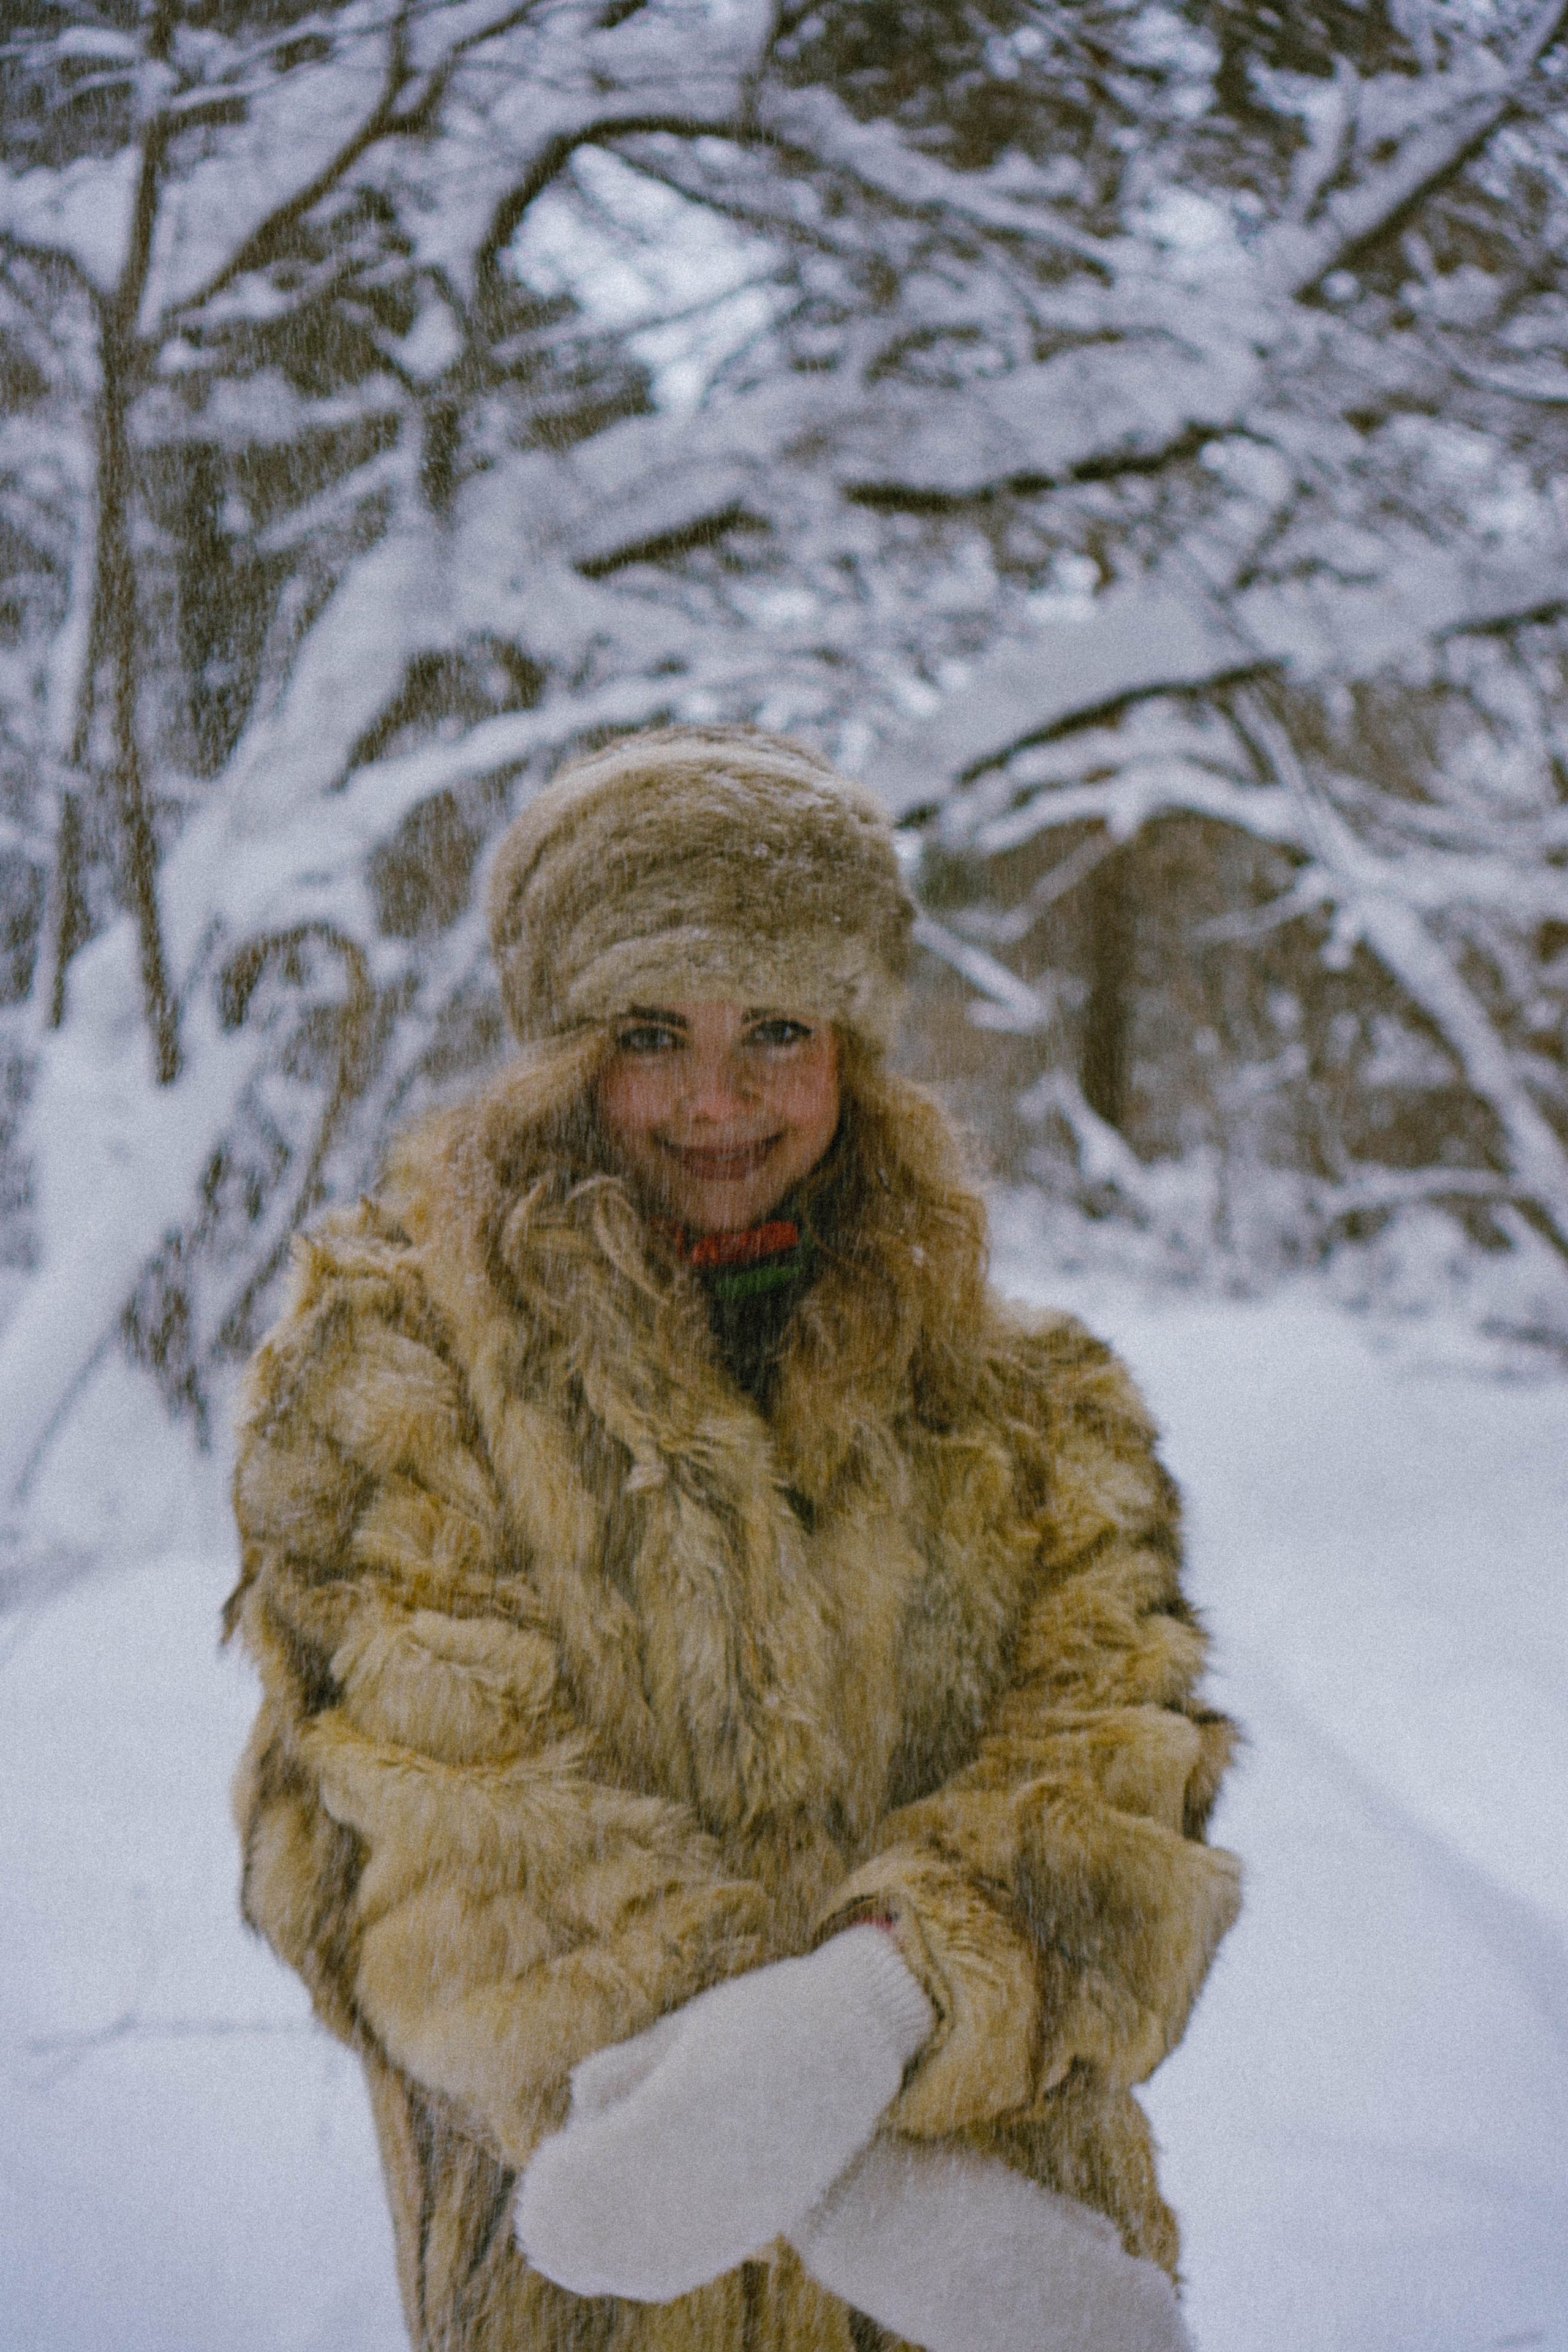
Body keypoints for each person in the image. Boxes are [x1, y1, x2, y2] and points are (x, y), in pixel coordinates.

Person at [225, 725, 1241, 2352]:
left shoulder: (1039, 1400)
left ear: (850, 1043)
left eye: (777, 1027)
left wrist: (892, 1992)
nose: (719, 1098)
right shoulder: (398, 1363)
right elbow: (444, 1822)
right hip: (603, 2278)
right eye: (652, 1031)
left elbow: (1120, 1762)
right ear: (565, 1049)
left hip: (988, 2273)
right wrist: (868, 2198)